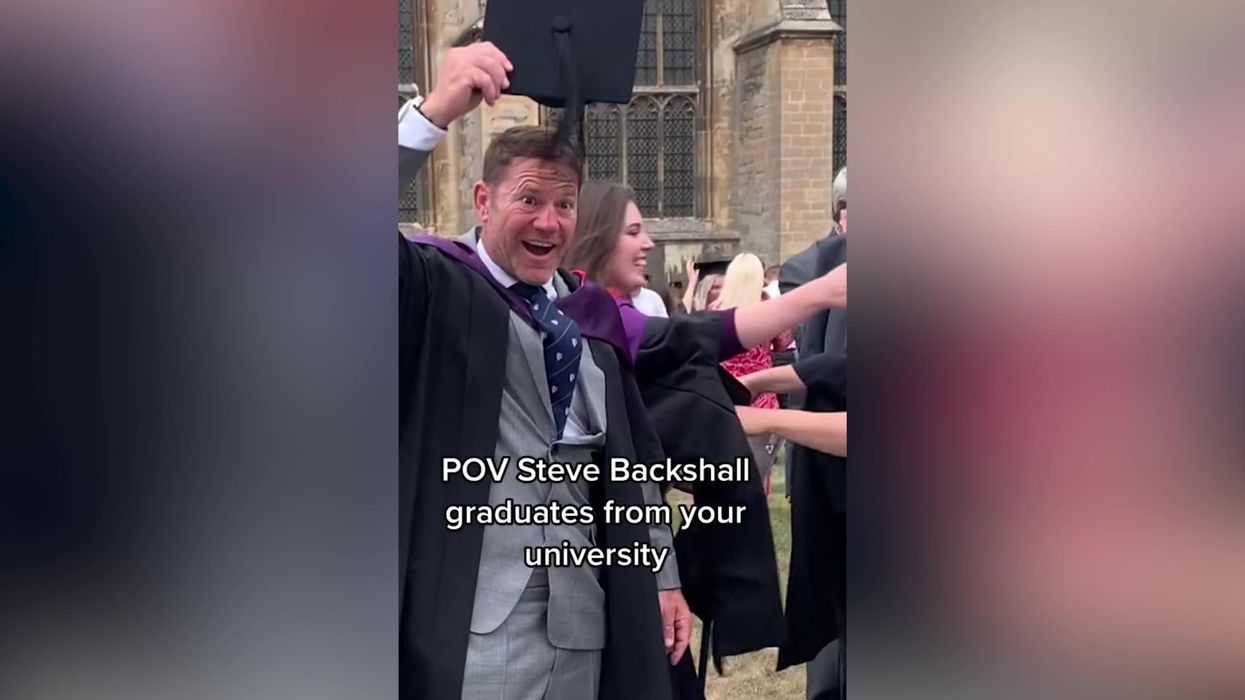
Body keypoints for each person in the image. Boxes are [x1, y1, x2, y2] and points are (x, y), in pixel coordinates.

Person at [398, 42, 692, 700]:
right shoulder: (434, 289)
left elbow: (630, 463)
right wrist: (433, 112)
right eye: (528, 199)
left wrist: (662, 574)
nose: (548, 222)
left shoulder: (589, 317)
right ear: (482, 201)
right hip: (471, 621)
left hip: (581, 622)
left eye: (565, 205)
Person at [563, 182, 667, 317]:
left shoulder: (649, 306)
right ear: (599, 241)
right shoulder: (562, 318)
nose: (649, 244)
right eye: (633, 232)